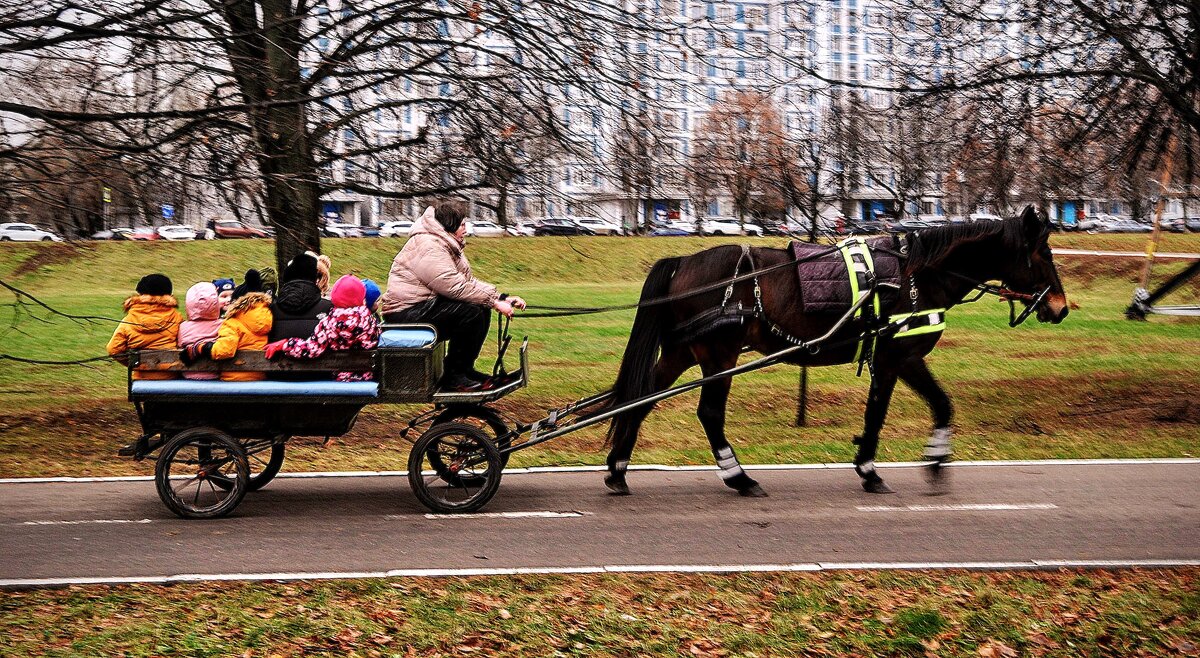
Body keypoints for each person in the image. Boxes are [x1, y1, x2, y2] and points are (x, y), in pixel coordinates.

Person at [380, 202, 525, 390]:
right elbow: (453, 286)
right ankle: (454, 376)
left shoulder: (444, 243)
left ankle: (463, 370)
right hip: (405, 313)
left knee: (479, 307)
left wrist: (501, 298)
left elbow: (467, 282)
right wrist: (494, 303)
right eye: (462, 224)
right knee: (470, 313)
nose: (466, 229)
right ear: (449, 226)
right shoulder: (429, 245)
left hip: (422, 307)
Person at [265, 275, 380, 381]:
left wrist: (285, 344)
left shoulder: (328, 323)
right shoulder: (370, 321)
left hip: (339, 377)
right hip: (367, 376)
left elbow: (311, 349)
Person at [182, 269, 272, 381]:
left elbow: (224, 350)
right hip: (260, 376)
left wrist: (200, 348)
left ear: (237, 304)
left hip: (234, 377)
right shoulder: (269, 318)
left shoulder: (232, 323)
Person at [106, 274, 182, 380]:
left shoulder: (129, 320)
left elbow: (113, 349)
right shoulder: (177, 318)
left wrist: (136, 363)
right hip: (170, 376)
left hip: (141, 380)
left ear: (141, 294)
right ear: (168, 294)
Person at [177, 282, 222, 380]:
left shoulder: (183, 327)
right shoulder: (224, 325)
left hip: (188, 374)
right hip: (216, 374)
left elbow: (179, 345)